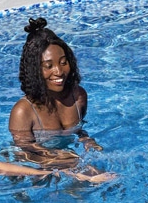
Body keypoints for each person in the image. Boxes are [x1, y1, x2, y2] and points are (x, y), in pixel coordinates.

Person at [8, 17, 101, 167]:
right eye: (48, 66)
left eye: (63, 62)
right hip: (36, 167)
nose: (59, 71)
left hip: (68, 158)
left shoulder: (78, 97)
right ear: (34, 70)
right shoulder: (23, 111)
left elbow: (78, 130)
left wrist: (86, 140)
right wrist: (57, 159)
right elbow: (22, 152)